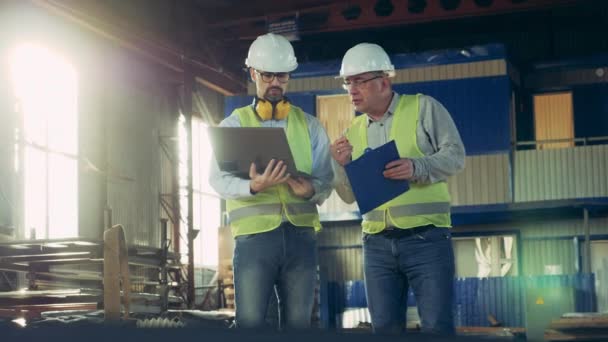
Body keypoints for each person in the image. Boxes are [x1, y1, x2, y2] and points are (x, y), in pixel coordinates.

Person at [331, 43, 465, 335]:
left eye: (359, 81)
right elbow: (347, 196)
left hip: (427, 240)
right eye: (348, 83)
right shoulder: (351, 133)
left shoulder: (423, 108)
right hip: (376, 246)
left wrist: (418, 167)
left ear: (383, 81)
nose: (352, 90)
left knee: (436, 328)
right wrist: (340, 166)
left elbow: (456, 157)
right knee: (385, 331)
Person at [209, 33, 333, 330]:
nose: (275, 82)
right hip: (254, 240)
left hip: (301, 238)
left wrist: (312, 190)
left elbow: (327, 179)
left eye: (282, 76)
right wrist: (253, 186)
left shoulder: (311, 126)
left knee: (299, 325)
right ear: (253, 73)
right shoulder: (234, 124)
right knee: (252, 324)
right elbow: (217, 180)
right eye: (268, 75)